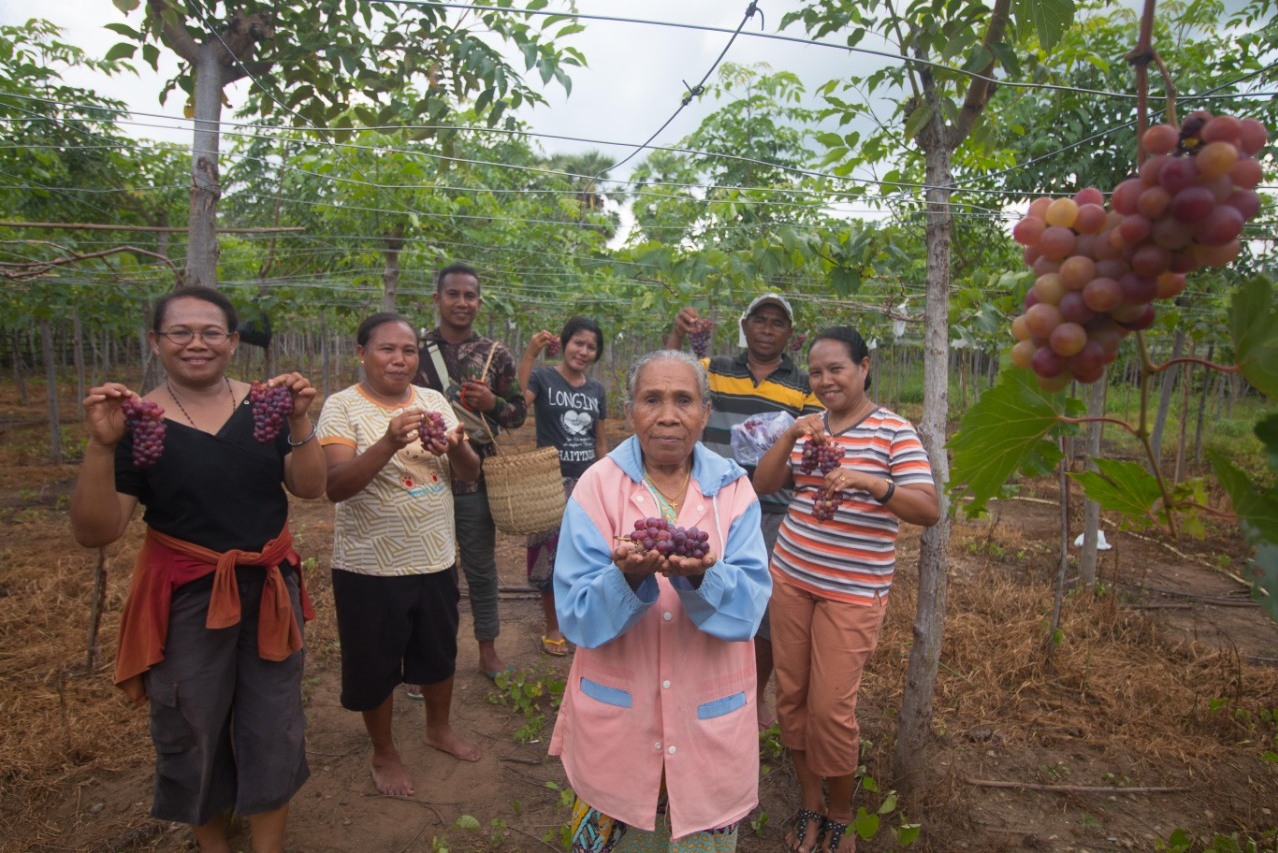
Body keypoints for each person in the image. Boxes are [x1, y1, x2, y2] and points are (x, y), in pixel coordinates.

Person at [69, 286, 327, 853]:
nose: (197, 343)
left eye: (212, 332)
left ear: (233, 342)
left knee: (273, 722)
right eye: (180, 332)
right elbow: (97, 531)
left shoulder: (266, 407)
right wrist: (98, 447)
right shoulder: (138, 422)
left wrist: (303, 421)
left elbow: (311, 487)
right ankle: (213, 844)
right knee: (192, 721)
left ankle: (268, 847)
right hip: (187, 599)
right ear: (156, 342)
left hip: (268, 590)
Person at [550, 350, 772, 851]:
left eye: (683, 400)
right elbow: (577, 616)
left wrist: (703, 579)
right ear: (630, 412)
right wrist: (625, 579)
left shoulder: (734, 491)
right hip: (618, 721)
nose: (668, 415)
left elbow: (751, 607)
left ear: (705, 412)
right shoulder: (596, 487)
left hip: (711, 715)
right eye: (652, 399)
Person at [753, 327, 940, 853]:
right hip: (790, 579)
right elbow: (764, 485)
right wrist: (790, 435)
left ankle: (840, 813)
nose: (825, 380)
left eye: (836, 368)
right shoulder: (809, 430)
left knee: (830, 708)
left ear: (864, 366)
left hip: (852, 593)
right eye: (816, 372)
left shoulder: (892, 432)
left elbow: (928, 510)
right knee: (792, 697)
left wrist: (871, 483)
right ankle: (809, 804)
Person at [316, 312, 484, 797]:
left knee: (438, 653)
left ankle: (438, 729)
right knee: (374, 664)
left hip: (434, 556)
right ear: (361, 353)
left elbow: (469, 472)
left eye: (409, 350)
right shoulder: (341, 407)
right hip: (369, 565)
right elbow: (336, 486)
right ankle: (384, 752)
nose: (399, 359)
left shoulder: (433, 401)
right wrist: (389, 441)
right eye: (387, 349)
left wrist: (455, 447)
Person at [665, 293, 822, 728]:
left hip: (771, 510)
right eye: (760, 320)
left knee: (761, 605)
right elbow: (672, 380)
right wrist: (679, 332)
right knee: (695, 587)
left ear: (789, 334)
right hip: (708, 501)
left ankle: (753, 690)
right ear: (745, 326)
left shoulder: (805, 385)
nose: (768, 329)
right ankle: (695, 681)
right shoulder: (712, 370)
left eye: (777, 323)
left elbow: (809, 448)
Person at [415, 262, 527, 678]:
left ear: (479, 302)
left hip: (477, 481)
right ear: (438, 299)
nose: (462, 303)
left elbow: (516, 415)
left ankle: (487, 650)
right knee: (428, 573)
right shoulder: (413, 350)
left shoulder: (495, 355)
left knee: (480, 568)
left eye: (470, 296)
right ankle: (426, 658)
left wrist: (492, 405)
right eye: (453, 294)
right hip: (422, 477)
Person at [516, 317, 608, 656]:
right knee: (547, 557)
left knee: (585, 554)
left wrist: (603, 478)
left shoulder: (596, 390)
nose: (583, 352)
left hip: (585, 483)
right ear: (565, 343)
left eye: (591, 347)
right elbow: (515, 404)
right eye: (578, 343)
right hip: (549, 483)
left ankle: (580, 620)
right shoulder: (543, 378)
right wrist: (529, 354)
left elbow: (599, 440)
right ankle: (553, 627)